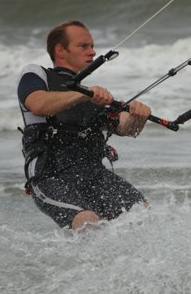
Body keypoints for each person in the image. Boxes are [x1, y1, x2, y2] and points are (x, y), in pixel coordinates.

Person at [17, 20, 151, 230]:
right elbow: (38, 105)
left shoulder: (92, 96)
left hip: (92, 172)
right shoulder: (37, 74)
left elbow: (127, 128)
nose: (92, 51)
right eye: (83, 46)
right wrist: (83, 95)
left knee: (141, 213)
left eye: (92, 46)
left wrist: (137, 116)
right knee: (88, 222)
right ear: (60, 50)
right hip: (50, 174)